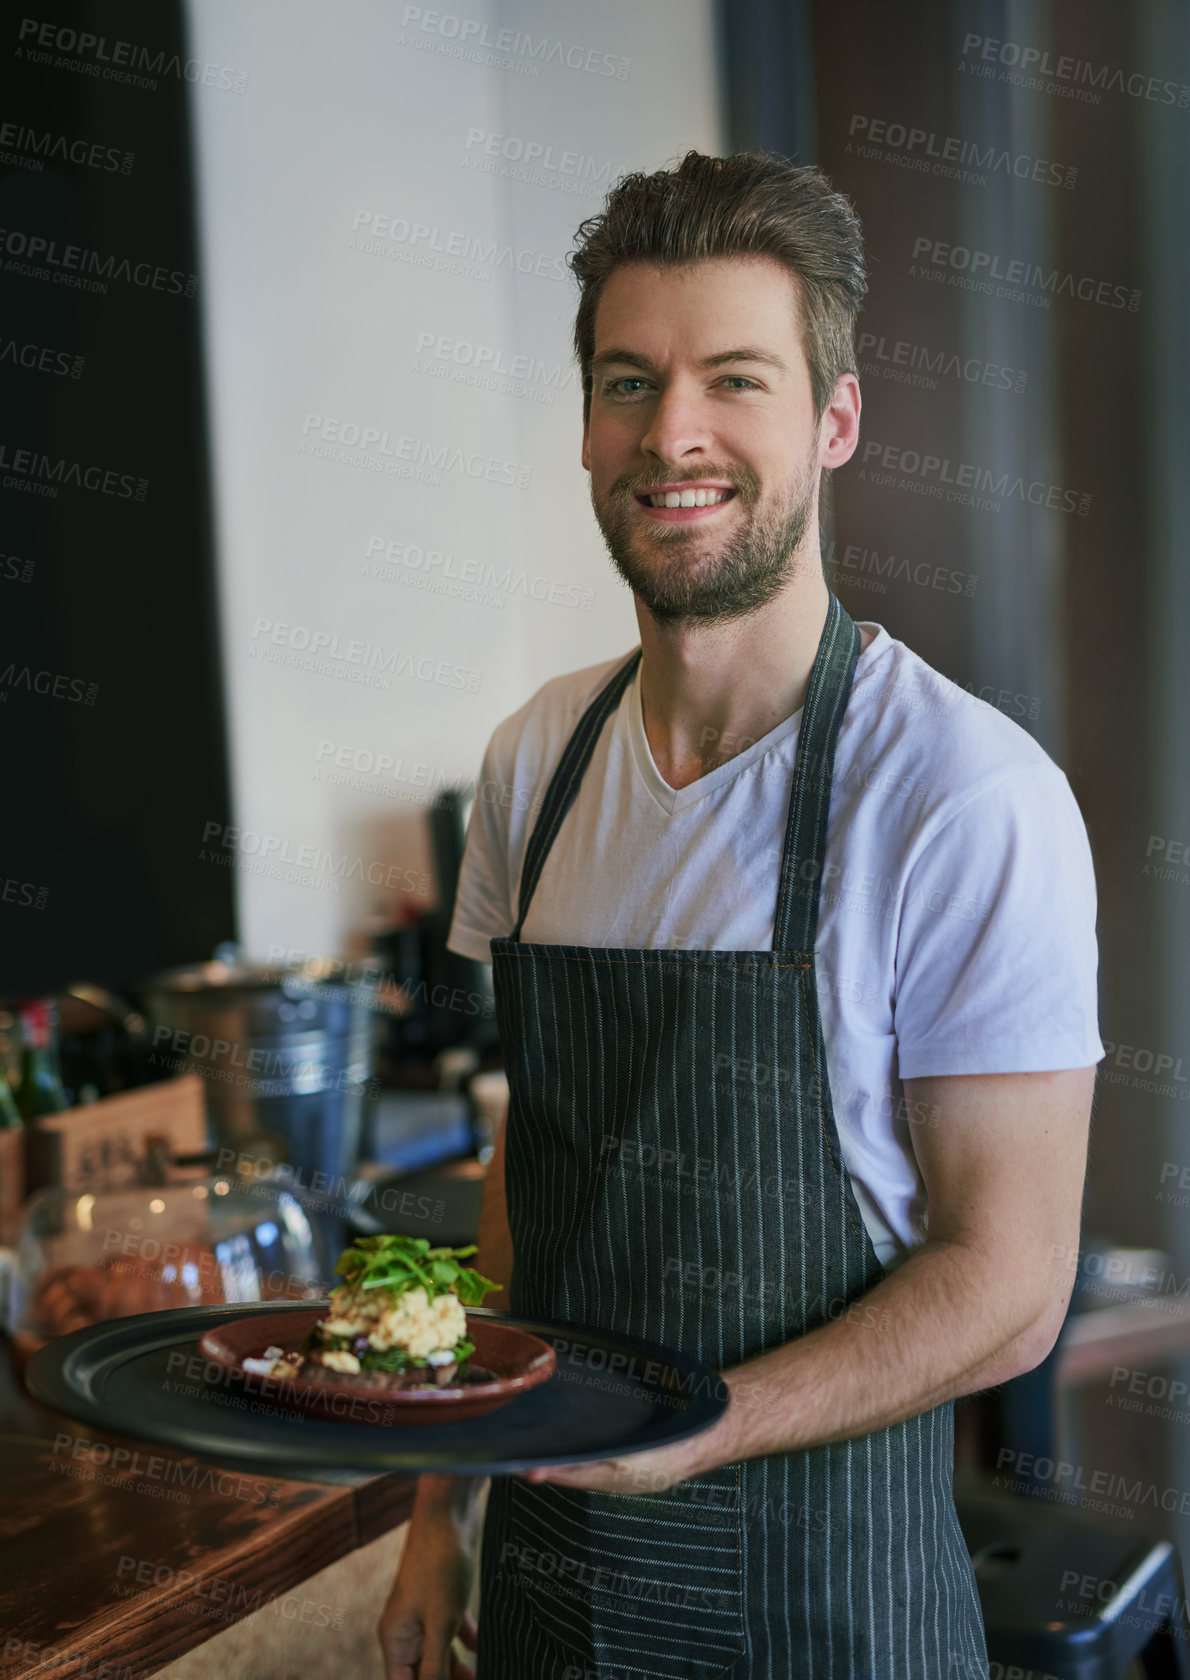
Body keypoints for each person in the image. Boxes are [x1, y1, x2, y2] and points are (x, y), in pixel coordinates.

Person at [378, 149, 1102, 1680]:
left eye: (735, 380)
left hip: (826, 1615)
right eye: (627, 381)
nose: (671, 433)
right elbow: (535, 1165)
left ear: (834, 420)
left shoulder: (963, 798)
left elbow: (1007, 1288)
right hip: (551, 1597)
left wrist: (695, 1433)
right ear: (582, 426)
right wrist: (441, 1503)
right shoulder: (536, 764)